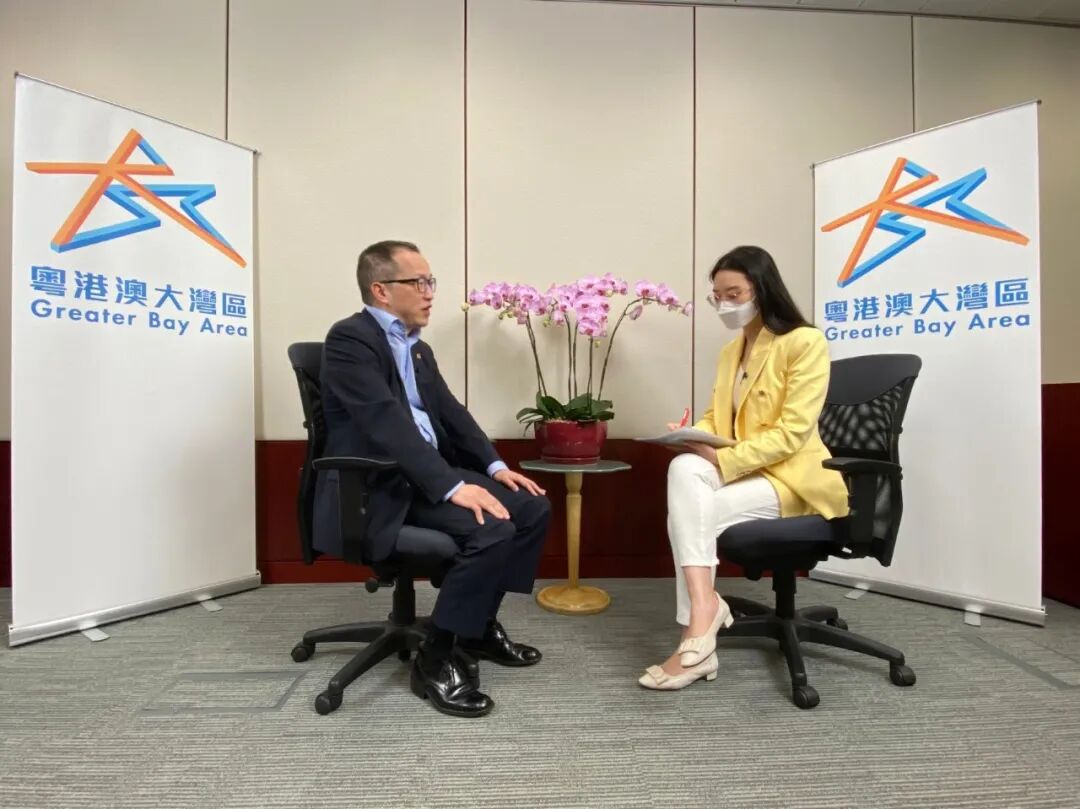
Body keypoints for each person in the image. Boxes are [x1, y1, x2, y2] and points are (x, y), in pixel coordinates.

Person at [314, 240, 552, 717]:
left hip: (425, 476)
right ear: (381, 290)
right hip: (381, 487)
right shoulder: (349, 340)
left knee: (531, 509)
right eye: (418, 282)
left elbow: (452, 414)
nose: (429, 292)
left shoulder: (416, 349)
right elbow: (386, 424)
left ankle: (477, 629)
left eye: (431, 281)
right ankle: (435, 658)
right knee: (491, 529)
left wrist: (496, 468)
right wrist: (453, 487)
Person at [638, 245, 849, 691]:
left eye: (734, 294)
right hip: (749, 473)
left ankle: (695, 636)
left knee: (689, 518)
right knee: (684, 470)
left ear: (762, 288)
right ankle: (704, 614)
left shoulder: (805, 342)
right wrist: (692, 435)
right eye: (717, 296)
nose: (725, 304)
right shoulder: (731, 351)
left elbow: (793, 433)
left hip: (793, 480)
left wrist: (721, 457)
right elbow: (719, 418)